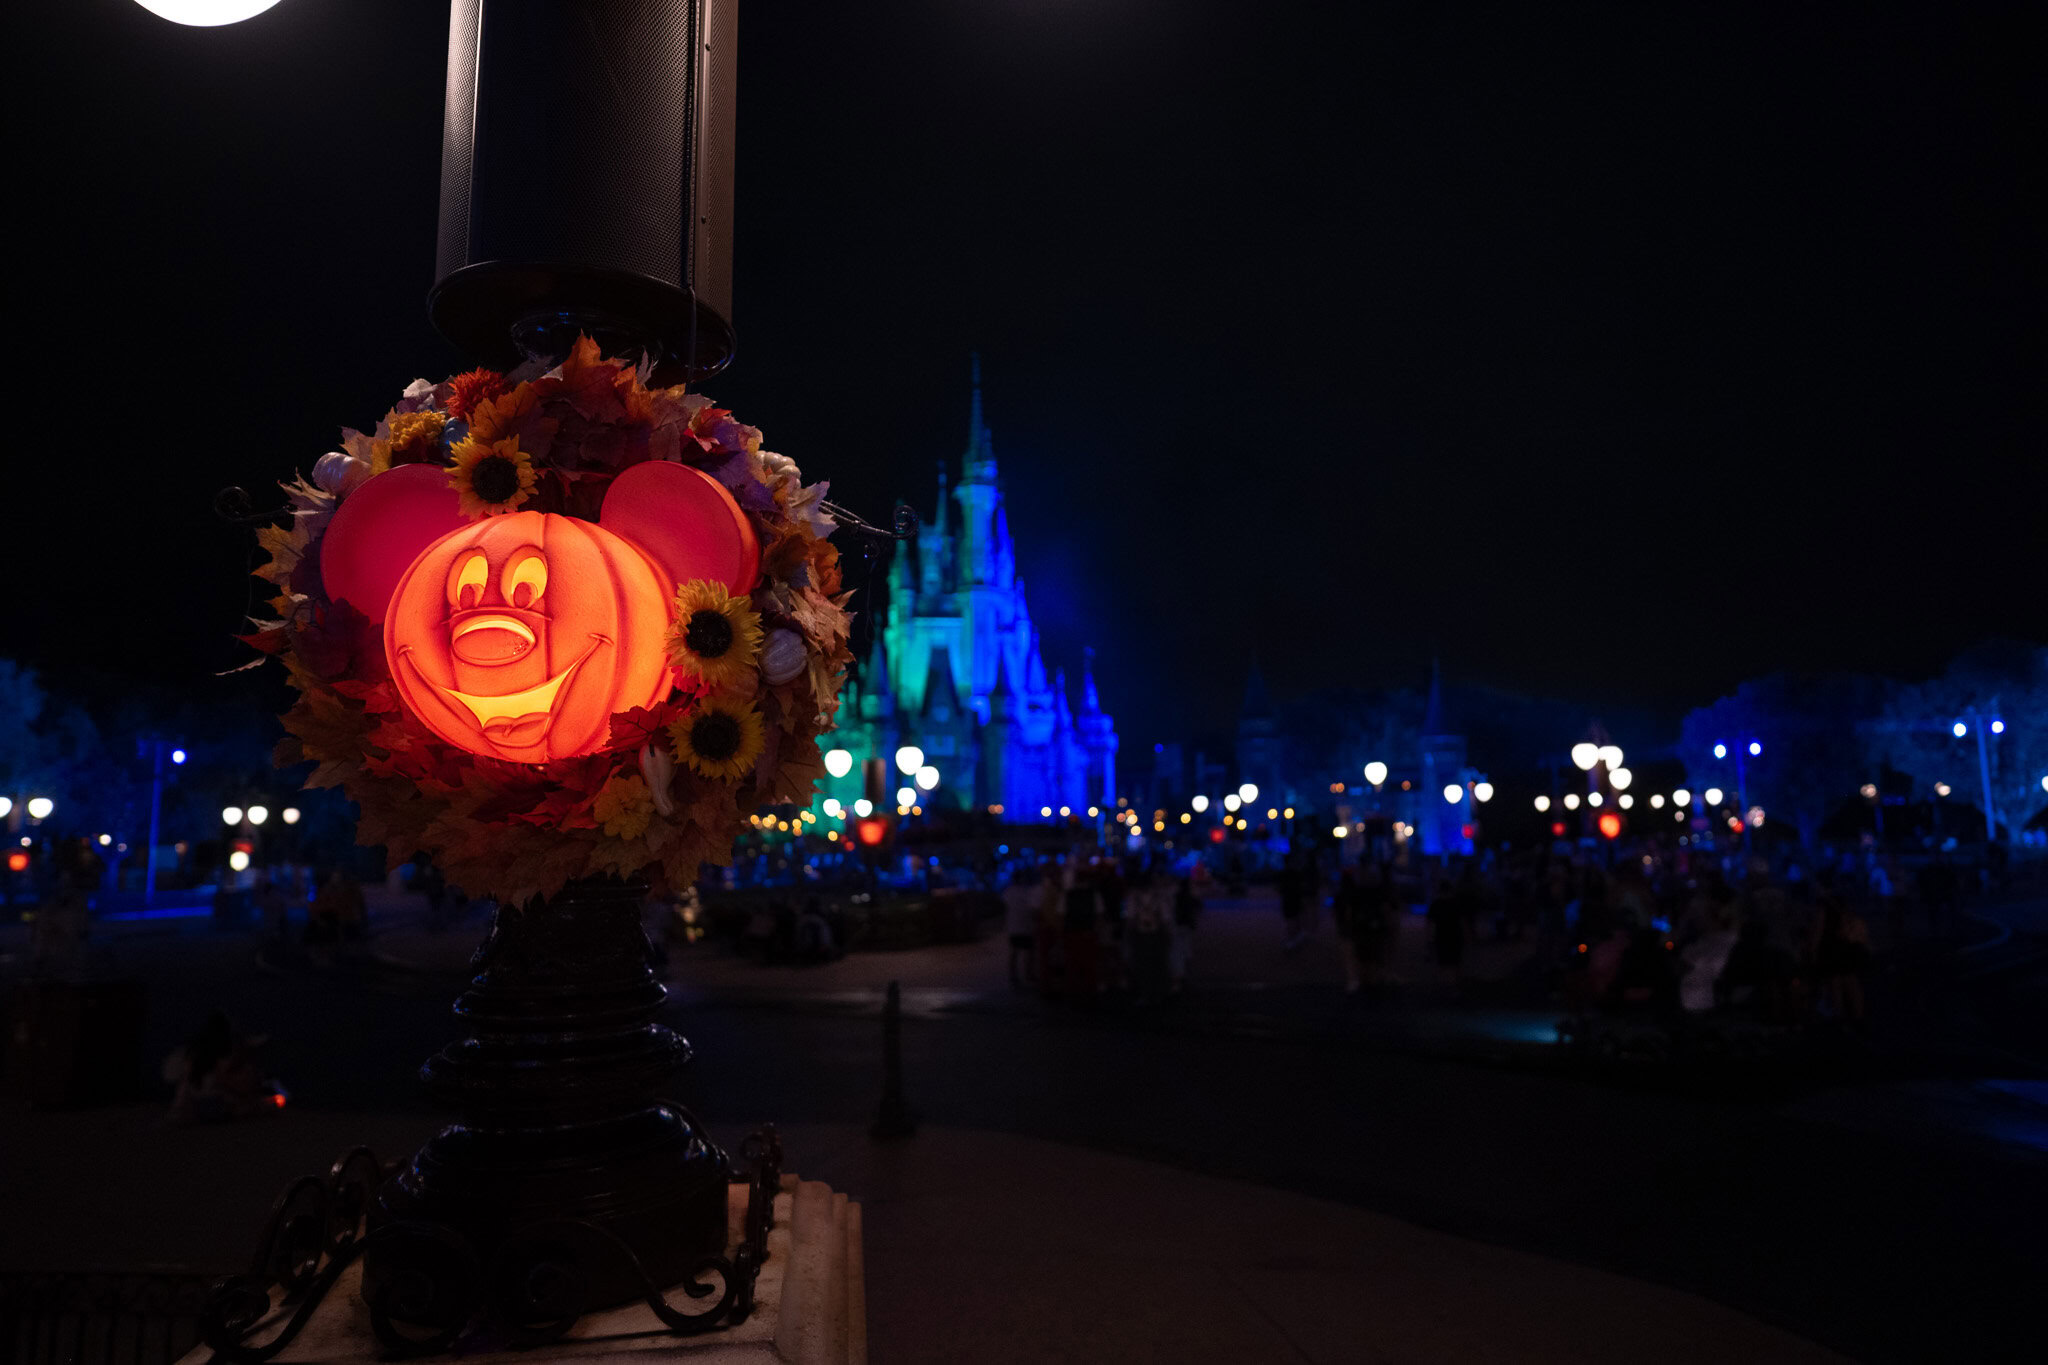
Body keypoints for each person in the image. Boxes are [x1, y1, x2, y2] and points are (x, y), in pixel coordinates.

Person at [1061, 855, 1103, 998]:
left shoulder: (1068, 895)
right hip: (1087, 932)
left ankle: (1075, 992)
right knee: (1088, 964)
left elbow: (1061, 915)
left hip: (1073, 933)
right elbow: (1099, 915)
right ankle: (1088, 992)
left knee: (1073, 964)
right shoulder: (1093, 895)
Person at [1002, 866, 1040, 989]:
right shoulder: (1028, 891)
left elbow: (1004, 906)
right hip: (1024, 925)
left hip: (1016, 926)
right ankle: (1026, 974)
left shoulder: (1009, 892)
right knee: (1026, 951)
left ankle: (1016, 975)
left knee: (1016, 951)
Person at [1170, 875, 1201, 992]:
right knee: (1183, 950)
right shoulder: (1189, 896)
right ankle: (1181, 976)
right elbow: (1198, 907)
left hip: (1181, 926)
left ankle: (1180, 977)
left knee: (1180, 951)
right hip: (1185, 926)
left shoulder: (1177, 896)